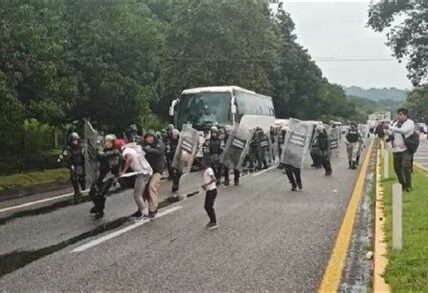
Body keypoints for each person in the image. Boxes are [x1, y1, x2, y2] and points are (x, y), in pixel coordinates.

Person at [89, 134, 121, 219]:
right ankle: (98, 206)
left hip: (110, 175)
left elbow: (103, 156)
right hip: (101, 174)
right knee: (92, 192)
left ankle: (100, 210)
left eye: (110, 142)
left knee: (101, 193)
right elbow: (96, 158)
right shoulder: (103, 151)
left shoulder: (115, 152)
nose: (108, 143)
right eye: (106, 142)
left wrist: (97, 151)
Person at [384, 108, 415, 192]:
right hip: (396, 149)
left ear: (406, 115)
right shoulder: (396, 123)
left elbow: (403, 131)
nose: (399, 116)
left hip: (406, 149)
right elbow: (392, 133)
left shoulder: (409, 123)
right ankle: (402, 185)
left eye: (401, 114)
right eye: (398, 114)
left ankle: (408, 186)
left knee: (405, 166)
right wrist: (386, 129)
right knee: (397, 169)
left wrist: (390, 127)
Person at [121, 143, 153, 221]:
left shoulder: (126, 150)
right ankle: (142, 211)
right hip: (147, 171)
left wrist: (123, 171)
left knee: (137, 195)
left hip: (141, 173)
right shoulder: (136, 150)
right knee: (141, 194)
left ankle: (145, 214)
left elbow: (129, 158)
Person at [142, 130, 165, 218]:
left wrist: (148, 149)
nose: (150, 139)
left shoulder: (159, 144)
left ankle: (153, 209)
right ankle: (146, 208)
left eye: (151, 137)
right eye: (148, 137)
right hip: (147, 170)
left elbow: (159, 152)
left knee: (152, 187)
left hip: (157, 170)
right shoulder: (143, 145)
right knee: (145, 190)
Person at [58, 132, 85, 204]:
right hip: (73, 165)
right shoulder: (68, 148)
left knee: (81, 177)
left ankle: (82, 184)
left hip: (80, 165)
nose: (75, 142)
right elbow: (63, 154)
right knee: (74, 177)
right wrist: (60, 158)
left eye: (76, 140)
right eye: (73, 140)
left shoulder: (82, 147)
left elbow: (87, 154)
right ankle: (77, 192)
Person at [281, 126, 303, 191]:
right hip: (288, 157)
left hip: (294, 156)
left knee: (296, 171)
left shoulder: (294, 138)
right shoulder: (283, 139)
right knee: (289, 172)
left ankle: (298, 182)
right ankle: (294, 184)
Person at [202, 157, 219, 230]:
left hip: (212, 191)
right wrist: (206, 186)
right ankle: (212, 220)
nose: (201, 163)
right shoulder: (207, 170)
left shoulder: (209, 170)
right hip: (209, 190)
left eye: (203, 161)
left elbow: (214, 179)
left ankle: (214, 222)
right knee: (206, 206)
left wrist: (206, 185)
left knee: (208, 206)